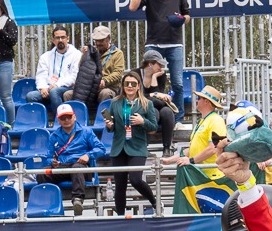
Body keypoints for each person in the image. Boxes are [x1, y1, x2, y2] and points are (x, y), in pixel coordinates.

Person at [129, 0, 191, 111]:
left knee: (177, 83)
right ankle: (147, 111)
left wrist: (181, 19)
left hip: (174, 44)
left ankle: (178, 117)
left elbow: (188, 16)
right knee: (147, 79)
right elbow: (132, 7)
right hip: (153, 44)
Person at [105, 70, 159, 215]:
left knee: (135, 180)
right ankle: (120, 217)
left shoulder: (147, 103)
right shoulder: (115, 102)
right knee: (120, 185)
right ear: (122, 86)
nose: (129, 86)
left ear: (138, 86)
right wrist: (109, 125)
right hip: (119, 147)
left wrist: (143, 121)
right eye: (127, 83)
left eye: (133, 84)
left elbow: (154, 127)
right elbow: (112, 127)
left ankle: (154, 202)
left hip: (137, 147)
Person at [41, 104, 104, 216]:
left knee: (77, 168)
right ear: (58, 120)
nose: (66, 120)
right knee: (42, 174)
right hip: (62, 167)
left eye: (69, 117)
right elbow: (48, 158)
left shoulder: (86, 132)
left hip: (80, 166)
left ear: (74, 117)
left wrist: (88, 155)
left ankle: (78, 200)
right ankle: (49, 202)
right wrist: (52, 162)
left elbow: (101, 149)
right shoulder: (54, 136)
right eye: (63, 118)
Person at [163, 85, 228, 177]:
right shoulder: (202, 121)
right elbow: (192, 149)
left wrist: (191, 160)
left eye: (199, 98)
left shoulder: (216, 121)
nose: (197, 100)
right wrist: (168, 160)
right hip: (203, 176)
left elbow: (213, 148)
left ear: (206, 101)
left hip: (213, 177)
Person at [71, 26, 125, 115]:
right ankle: (78, 120)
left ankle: (105, 121)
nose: (98, 43)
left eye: (101, 40)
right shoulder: (91, 52)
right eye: (96, 41)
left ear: (108, 38)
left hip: (108, 87)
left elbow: (118, 73)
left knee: (106, 93)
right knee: (67, 94)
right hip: (89, 87)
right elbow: (82, 68)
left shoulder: (117, 53)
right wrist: (84, 55)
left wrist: (105, 81)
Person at [31, 27, 81, 113]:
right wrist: (42, 88)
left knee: (54, 92)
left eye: (63, 37)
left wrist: (57, 85)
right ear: (53, 40)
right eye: (57, 38)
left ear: (68, 39)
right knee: (31, 96)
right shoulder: (45, 56)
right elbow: (41, 75)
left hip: (67, 88)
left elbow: (74, 77)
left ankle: (59, 120)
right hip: (48, 88)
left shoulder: (77, 55)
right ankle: (43, 121)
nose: (60, 40)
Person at [140, 49, 178, 154]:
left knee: (166, 111)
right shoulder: (136, 75)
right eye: (159, 64)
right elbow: (138, 98)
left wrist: (154, 77)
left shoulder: (160, 76)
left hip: (155, 107)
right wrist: (152, 95)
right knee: (153, 111)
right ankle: (144, 147)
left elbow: (159, 102)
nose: (161, 68)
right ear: (150, 64)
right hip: (140, 109)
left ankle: (166, 148)